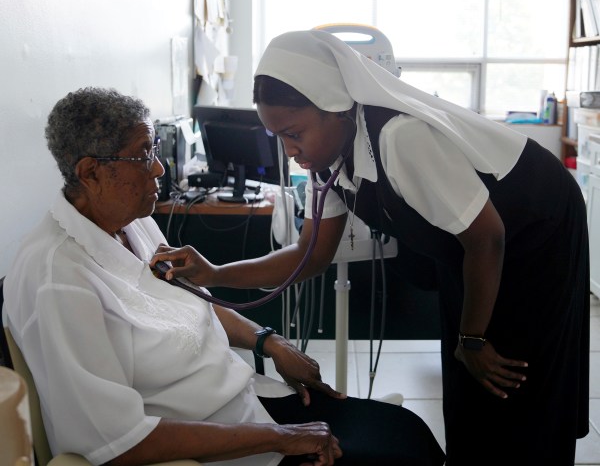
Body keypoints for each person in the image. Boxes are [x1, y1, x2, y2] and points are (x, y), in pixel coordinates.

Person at [153, 30, 591, 466]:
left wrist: (474, 337)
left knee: (516, 381)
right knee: (468, 382)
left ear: (337, 110)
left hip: (533, 235)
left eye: (295, 134)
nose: (290, 152)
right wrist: (214, 273)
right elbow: (311, 255)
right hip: (470, 252)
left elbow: (487, 236)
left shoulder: (400, 138)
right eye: (279, 138)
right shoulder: (330, 162)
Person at [3, 87, 445, 466]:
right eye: (144, 155)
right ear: (90, 172)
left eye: (155, 150)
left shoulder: (128, 223)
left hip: (249, 402)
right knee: (400, 455)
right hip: (226, 443)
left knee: (406, 430)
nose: (160, 169)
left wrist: (268, 341)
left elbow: (190, 301)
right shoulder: (58, 281)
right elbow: (114, 441)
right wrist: (282, 440)